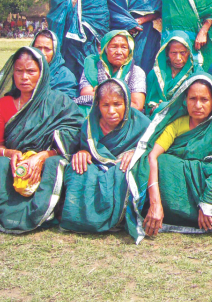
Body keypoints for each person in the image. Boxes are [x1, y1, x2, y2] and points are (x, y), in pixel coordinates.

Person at [126, 74, 212, 243]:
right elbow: (152, 156)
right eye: (193, 99)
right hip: (178, 193)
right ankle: (173, 214)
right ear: (185, 99)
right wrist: (155, 204)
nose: (198, 105)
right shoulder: (177, 123)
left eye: (204, 99)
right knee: (162, 162)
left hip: (210, 190)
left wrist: (209, 202)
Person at [0, 47, 83, 233]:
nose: (24, 77)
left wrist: (43, 156)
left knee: (55, 164)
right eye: (19, 71)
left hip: (48, 160)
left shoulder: (58, 102)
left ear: (42, 73)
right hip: (17, 164)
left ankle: (48, 210)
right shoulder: (2, 105)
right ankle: (8, 212)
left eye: (31, 71)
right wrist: (12, 154)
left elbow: (74, 135)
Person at [59, 79, 150, 233]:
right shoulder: (90, 125)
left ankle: (117, 220)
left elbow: (152, 147)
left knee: (127, 172)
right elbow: (81, 147)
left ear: (127, 103)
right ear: (97, 105)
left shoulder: (140, 123)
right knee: (77, 170)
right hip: (96, 167)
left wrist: (137, 152)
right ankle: (80, 221)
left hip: (122, 168)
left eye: (117, 104)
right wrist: (82, 152)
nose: (111, 111)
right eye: (105, 105)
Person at [77, 30, 146, 113]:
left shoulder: (136, 72)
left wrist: (99, 92)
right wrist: (122, 98)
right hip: (94, 110)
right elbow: (86, 94)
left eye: (124, 47)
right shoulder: (93, 66)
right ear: (105, 50)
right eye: (114, 47)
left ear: (129, 51)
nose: (119, 52)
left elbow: (137, 105)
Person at [145, 31, 199, 117]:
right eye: (173, 53)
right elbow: (148, 107)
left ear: (189, 52)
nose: (178, 58)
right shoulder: (155, 74)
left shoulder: (196, 72)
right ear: (167, 53)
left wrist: (168, 107)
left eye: (183, 53)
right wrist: (155, 108)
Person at [31, 30, 79, 99]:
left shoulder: (64, 76)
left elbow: (65, 104)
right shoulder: (25, 71)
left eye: (47, 49)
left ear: (55, 52)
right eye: (38, 48)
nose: (42, 53)